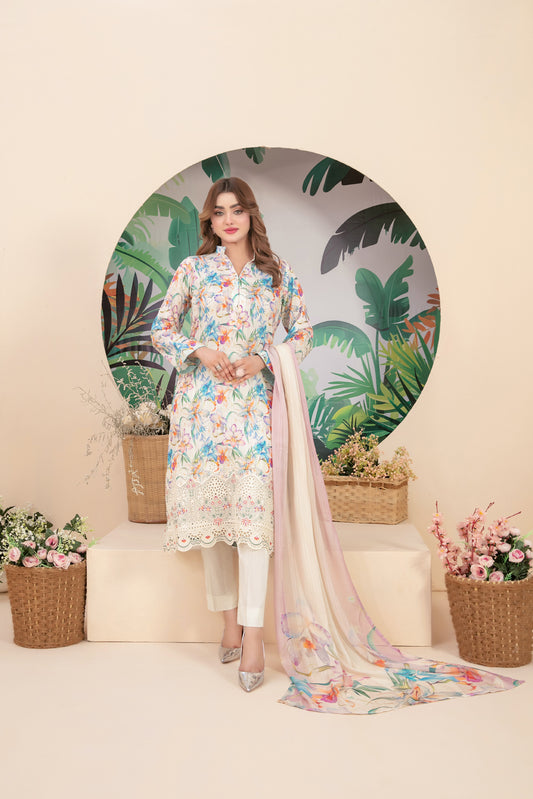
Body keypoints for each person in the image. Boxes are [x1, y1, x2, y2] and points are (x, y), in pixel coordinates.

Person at [151, 177, 313, 692]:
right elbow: (162, 329)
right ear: (210, 220)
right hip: (201, 412)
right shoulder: (194, 270)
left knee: (252, 522)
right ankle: (228, 623)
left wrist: (263, 358)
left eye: (236, 210)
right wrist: (199, 350)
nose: (228, 220)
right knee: (214, 522)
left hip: (254, 412)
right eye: (219, 212)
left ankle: (254, 637)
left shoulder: (277, 272)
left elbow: (304, 333)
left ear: (250, 215)